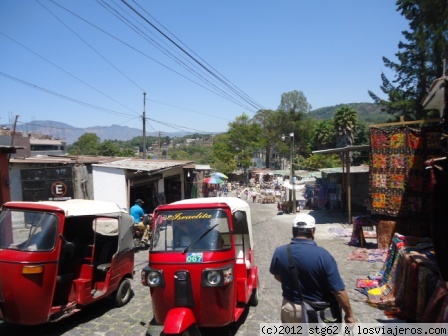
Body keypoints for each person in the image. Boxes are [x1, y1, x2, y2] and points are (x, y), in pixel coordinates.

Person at [269, 213, 355, 324]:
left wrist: (295, 284)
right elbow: (338, 291)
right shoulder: (323, 256)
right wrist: (349, 315)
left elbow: (277, 275)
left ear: (293, 231)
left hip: (291, 309)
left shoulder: (280, 252)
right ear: (313, 231)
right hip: (317, 312)